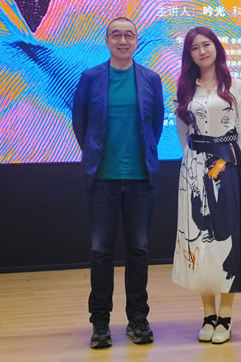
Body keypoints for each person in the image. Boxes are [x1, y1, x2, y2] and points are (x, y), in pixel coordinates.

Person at [72, 17, 164, 349]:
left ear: (136, 40)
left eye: (128, 35)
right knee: (101, 252)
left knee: (139, 250)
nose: (122, 41)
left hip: (140, 179)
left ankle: (138, 319)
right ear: (107, 40)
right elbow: (80, 123)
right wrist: (96, 154)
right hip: (102, 179)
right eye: (116, 35)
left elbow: (155, 125)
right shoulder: (90, 77)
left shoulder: (151, 79)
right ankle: (100, 323)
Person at [171, 26, 241, 344]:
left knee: (227, 239)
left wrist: (239, 169)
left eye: (206, 44)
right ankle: (208, 315)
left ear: (217, 48)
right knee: (200, 240)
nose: (202, 51)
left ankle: (226, 317)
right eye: (195, 47)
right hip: (194, 167)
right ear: (190, 54)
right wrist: (191, 162)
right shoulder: (185, 88)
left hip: (227, 168)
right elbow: (182, 131)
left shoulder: (235, 86)